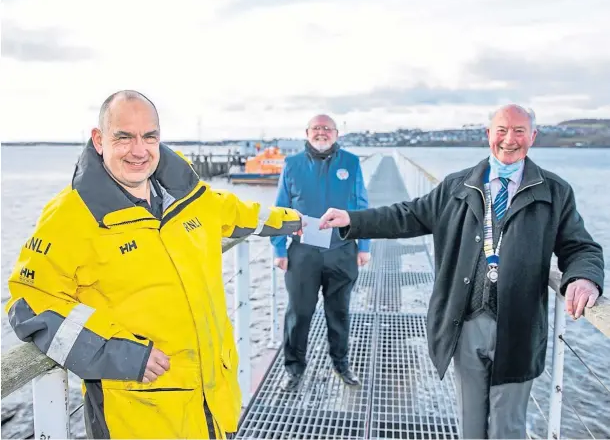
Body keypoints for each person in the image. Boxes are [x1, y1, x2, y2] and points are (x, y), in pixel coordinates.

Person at [5, 90, 301, 439]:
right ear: (99, 140)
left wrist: (297, 222)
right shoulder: (71, 215)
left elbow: (241, 214)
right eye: (124, 136)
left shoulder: (189, 199)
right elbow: (30, 302)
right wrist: (116, 352)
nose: (139, 150)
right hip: (140, 414)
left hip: (213, 403)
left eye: (149, 136)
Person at [318, 104, 604, 439]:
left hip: (519, 328)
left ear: (533, 136)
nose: (509, 140)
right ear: (488, 134)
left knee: (507, 425)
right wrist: (353, 219)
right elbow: (407, 215)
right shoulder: (458, 186)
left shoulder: (554, 191)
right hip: (465, 323)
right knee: (470, 422)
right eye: (501, 130)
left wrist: (583, 278)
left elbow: (581, 247)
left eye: (519, 131)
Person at [271, 114, 371, 391]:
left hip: (341, 249)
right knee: (299, 313)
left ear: (337, 134)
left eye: (327, 129)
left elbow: (361, 204)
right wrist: (279, 249)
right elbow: (281, 208)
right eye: (316, 128)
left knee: (338, 312)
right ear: (307, 132)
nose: (322, 133)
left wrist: (364, 246)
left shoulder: (351, 162)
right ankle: (293, 369)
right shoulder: (291, 165)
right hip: (303, 251)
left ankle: (341, 364)